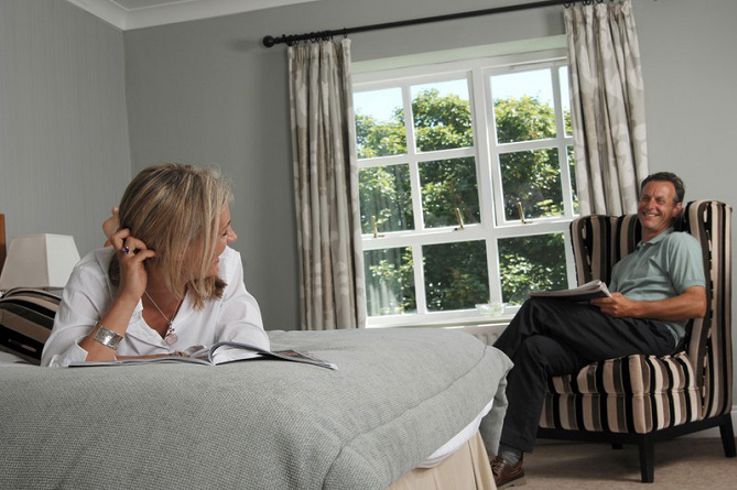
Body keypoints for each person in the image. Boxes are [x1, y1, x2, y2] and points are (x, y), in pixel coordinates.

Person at [490, 172, 706, 488]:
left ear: (676, 209)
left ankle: (482, 378)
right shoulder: (624, 264)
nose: (650, 205)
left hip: (654, 333)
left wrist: (633, 308)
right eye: (646, 198)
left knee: (537, 308)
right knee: (534, 348)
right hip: (615, 332)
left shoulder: (679, 243)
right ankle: (510, 459)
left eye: (661, 200)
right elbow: (612, 313)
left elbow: (697, 304)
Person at [41, 163, 269, 367]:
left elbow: (251, 353)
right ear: (179, 246)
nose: (233, 237)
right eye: (222, 233)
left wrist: (124, 361)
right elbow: (63, 372)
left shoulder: (226, 264)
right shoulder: (91, 275)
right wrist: (127, 297)